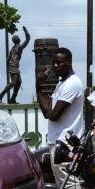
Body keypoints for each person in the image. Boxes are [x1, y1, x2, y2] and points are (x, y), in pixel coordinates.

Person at [39, 47, 85, 181]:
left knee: (70, 187)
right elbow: (47, 110)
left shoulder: (72, 83)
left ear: (69, 62)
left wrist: (49, 112)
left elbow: (53, 115)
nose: (55, 66)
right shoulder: (61, 84)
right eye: (53, 63)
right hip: (57, 142)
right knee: (62, 187)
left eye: (58, 62)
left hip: (66, 145)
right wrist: (38, 86)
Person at [0, 26, 31, 104]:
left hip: (13, 67)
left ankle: (12, 99)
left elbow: (7, 59)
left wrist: (8, 68)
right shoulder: (19, 47)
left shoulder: (12, 49)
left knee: (19, 82)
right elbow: (27, 39)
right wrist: (25, 31)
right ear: (18, 40)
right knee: (13, 83)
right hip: (13, 67)